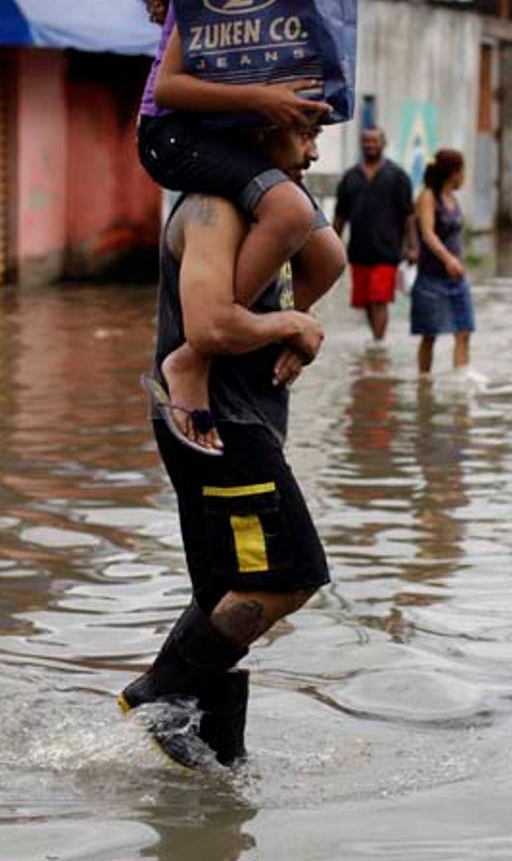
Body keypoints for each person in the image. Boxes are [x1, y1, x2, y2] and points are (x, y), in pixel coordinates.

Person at [121, 123, 337, 771]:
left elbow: (328, 257)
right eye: (303, 132)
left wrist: (296, 318)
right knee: (291, 576)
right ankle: (161, 691)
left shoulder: (265, 211)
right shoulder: (211, 211)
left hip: (238, 418)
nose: (316, 149)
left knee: (223, 588)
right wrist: (290, 321)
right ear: (257, 134)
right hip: (213, 423)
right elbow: (210, 324)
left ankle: (217, 770)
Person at [138, 0, 347, 457]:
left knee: (328, 254)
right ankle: (195, 354)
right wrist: (263, 100)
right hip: (176, 134)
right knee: (285, 213)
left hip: (236, 135)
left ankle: (263, 339)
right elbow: (169, 87)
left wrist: (309, 105)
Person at [332, 125, 417, 340]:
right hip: (359, 251)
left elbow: (408, 215)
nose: (370, 145)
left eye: (375, 141)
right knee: (366, 302)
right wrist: (332, 247)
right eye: (366, 141)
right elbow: (340, 216)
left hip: (387, 251)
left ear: (383, 143)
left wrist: (412, 246)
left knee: (379, 300)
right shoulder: (350, 178)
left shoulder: (398, 176)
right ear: (361, 144)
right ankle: (375, 340)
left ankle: (378, 346)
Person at [411, 149, 475, 374]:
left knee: (464, 330)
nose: (464, 176)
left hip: (456, 278)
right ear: (453, 173)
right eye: (462, 171)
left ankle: (461, 378)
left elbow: (456, 237)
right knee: (429, 335)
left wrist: (460, 261)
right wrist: (448, 259)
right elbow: (428, 233)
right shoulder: (428, 196)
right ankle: (424, 382)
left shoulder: (453, 199)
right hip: (431, 277)